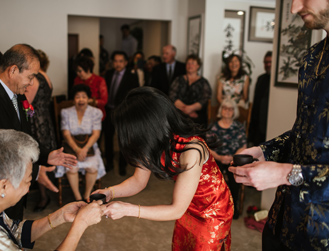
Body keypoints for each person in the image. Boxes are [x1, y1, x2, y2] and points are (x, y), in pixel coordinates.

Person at [228, 0, 329, 248]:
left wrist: (285, 173)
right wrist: (263, 151)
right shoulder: (311, 57)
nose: (294, 8)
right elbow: (303, 132)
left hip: (322, 229)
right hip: (284, 216)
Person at [93, 87, 233, 250]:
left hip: (212, 211)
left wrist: (127, 209)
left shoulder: (192, 149)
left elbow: (176, 210)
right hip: (187, 205)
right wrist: (110, 192)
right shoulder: (151, 143)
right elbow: (138, 181)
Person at [0, 44, 77, 220]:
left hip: (14, 193)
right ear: (13, 70)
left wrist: (46, 156)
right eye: (30, 77)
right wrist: (35, 171)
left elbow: (24, 137)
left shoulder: (18, 94)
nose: (31, 83)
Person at [0, 129, 104, 251]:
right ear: (3, 187)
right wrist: (81, 223)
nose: (29, 187)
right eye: (28, 180)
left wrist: (61, 216)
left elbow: (14, 231)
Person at [56, 84, 105, 202]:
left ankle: (86, 195)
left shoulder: (96, 112)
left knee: (92, 168)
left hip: (89, 147)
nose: (81, 99)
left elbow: (96, 134)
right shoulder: (66, 112)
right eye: (77, 97)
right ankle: (78, 198)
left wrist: (85, 149)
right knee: (72, 169)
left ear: (89, 99)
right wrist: (77, 149)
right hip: (71, 146)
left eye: (84, 96)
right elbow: (66, 134)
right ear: (73, 100)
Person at [24, 50, 58, 212]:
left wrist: (27, 117)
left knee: (38, 157)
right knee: (45, 156)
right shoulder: (48, 78)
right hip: (46, 122)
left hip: (36, 124)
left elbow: (28, 105)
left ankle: (44, 196)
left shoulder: (35, 79)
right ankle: (47, 192)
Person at [205, 99, 246, 219]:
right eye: (225, 108)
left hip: (234, 159)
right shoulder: (213, 127)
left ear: (234, 111)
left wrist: (232, 158)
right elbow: (208, 146)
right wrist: (219, 157)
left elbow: (243, 146)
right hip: (217, 158)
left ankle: (233, 207)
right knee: (213, 175)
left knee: (234, 176)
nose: (227, 111)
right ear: (220, 110)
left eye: (230, 109)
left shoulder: (238, 127)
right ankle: (215, 206)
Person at [102, 51, 139, 176]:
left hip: (123, 112)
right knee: (107, 138)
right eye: (115, 61)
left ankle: (122, 165)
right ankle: (109, 163)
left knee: (123, 140)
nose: (118, 64)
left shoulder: (132, 76)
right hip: (109, 110)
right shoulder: (108, 73)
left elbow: (135, 96)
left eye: (120, 61)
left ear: (125, 62)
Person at [169, 54, 211, 125]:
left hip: (197, 114)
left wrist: (191, 108)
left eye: (193, 63)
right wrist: (185, 110)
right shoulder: (178, 79)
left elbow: (205, 99)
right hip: (179, 112)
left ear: (198, 66)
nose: (190, 65)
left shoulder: (203, 82)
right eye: (188, 63)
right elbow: (172, 95)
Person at [249, 51, 272, 146]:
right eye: (266, 62)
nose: (268, 64)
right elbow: (255, 105)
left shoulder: (275, 83)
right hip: (258, 126)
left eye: (270, 62)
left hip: (270, 123)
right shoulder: (260, 79)